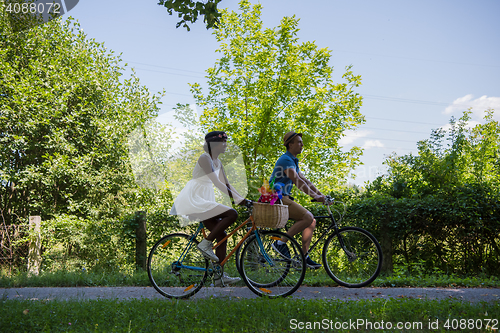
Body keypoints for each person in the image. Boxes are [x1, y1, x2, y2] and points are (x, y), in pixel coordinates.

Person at [170, 131, 248, 286]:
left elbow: (226, 184)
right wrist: (237, 200)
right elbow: (217, 183)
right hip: (195, 198)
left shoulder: (218, 162)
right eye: (223, 142)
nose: (225, 144)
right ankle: (205, 243)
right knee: (232, 214)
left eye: (226, 141)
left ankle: (219, 277)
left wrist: (243, 199)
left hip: (204, 198)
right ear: (213, 144)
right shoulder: (204, 158)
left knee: (222, 236)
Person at [269, 131, 326, 269]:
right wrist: (314, 196)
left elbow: (305, 180)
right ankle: (280, 243)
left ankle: (304, 256)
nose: (302, 144)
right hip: (275, 198)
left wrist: (321, 195)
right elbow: (296, 180)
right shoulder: (285, 160)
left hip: (283, 198)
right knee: (307, 217)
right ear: (290, 144)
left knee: (311, 221)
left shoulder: (293, 161)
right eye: (299, 142)